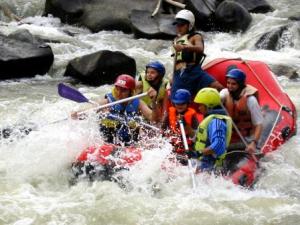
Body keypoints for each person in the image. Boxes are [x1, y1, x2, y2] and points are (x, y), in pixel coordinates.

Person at [71, 74, 159, 145]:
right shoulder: (107, 102)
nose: (119, 93)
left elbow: (153, 119)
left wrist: (154, 101)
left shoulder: (138, 103)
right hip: (108, 143)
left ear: (131, 92)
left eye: (123, 90)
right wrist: (78, 114)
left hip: (129, 144)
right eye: (117, 88)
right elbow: (89, 111)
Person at [171, 9, 223, 100]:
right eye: (177, 25)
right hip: (181, 74)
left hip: (194, 70)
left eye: (182, 25)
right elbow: (175, 61)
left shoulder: (196, 36)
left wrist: (184, 47)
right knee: (177, 99)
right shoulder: (176, 40)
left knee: (219, 88)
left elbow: (200, 49)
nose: (179, 27)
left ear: (189, 25)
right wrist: (173, 77)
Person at [220, 68, 263, 153]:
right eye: (228, 83)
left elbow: (259, 124)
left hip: (246, 140)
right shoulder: (225, 93)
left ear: (240, 85)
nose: (230, 86)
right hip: (230, 138)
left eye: (233, 84)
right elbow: (218, 97)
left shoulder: (251, 100)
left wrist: (253, 143)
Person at [191, 88, 232, 172]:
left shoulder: (217, 122)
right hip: (203, 164)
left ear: (208, 105)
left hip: (211, 167)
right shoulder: (211, 120)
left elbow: (219, 145)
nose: (199, 108)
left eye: (201, 105)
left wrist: (198, 153)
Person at [162, 89, 202, 156]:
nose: (179, 105)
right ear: (174, 103)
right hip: (172, 147)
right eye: (177, 103)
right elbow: (163, 129)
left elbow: (195, 136)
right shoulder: (169, 114)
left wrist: (184, 123)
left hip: (188, 148)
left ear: (188, 103)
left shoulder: (192, 116)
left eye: (182, 103)